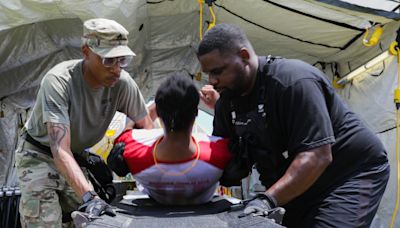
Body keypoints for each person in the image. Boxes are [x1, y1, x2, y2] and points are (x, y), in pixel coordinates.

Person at [197, 23, 389, 227]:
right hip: (299, 182)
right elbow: (219, 156)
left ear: (244, 56)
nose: (213, 80)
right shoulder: (227, 103)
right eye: (209, 73)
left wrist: (266, 200)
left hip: (349, 172)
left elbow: (317, 156)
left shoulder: (293, 81)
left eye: (218, 71)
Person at [15, 18, 153, 227]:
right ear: (86, 52)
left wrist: (155, 177)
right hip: (38, 156)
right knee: (45, 222)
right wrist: (90, 198)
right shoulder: (59, 81)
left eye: (122, 60)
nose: (116, 69)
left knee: (94, 221)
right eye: (108, 60)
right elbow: (59, 148)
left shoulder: (123, 84)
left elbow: (148, 131)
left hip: (76, 157)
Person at [107, 74, 232, 205]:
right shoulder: (219, 152)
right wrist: (219, 105)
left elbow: (130, 129)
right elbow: (233, 138)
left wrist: (159, 103)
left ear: (159, 113)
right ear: (196, 112)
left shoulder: (133, 150)